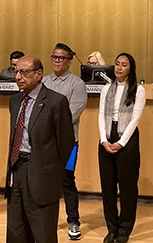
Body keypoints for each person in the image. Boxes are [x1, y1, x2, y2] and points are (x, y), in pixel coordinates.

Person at [5, 55, 74, 243]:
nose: (18, 76)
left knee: (43, 233)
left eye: (24, 72)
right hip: (16, 170)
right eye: (16, 71)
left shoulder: (55, 101)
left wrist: (50, 170)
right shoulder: (15, 101)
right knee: (15, 232)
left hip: (41, 174)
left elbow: (66, 142)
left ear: (39, 74)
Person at [98, 53, 146, 243]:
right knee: (108, 188)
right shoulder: (106, 88)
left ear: (130, 69)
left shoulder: (138, 90)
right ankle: (112, 229)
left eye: (123, 65)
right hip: (106, 138)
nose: (119, 68)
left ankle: (124, 230)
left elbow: (135, 119)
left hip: (127, 140)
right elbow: (101, 115)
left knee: (127, 188)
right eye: (117, 64)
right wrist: (103, 140)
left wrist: (121, 143)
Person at [42, 44, 88, 240]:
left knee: (67, 181)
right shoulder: (42, 81)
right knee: (43, 181)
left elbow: (71, 114)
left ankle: (73, 222)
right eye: (54, 57)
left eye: (61, 58)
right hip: (43, 141)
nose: (57, 60)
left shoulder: (77, 84)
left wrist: (46, 124)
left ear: (70, 61)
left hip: (67, 142)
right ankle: (44, 221)